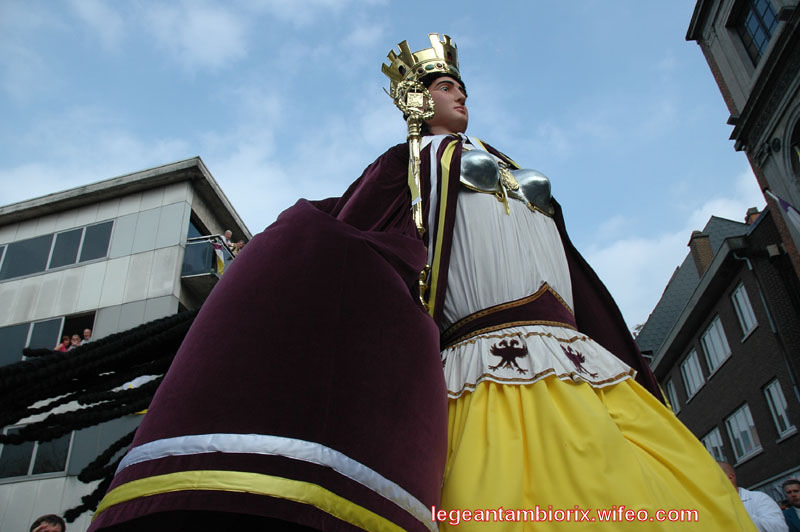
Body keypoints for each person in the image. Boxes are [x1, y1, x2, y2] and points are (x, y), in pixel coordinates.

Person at [87, 34, 756, 531]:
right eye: (441, 86)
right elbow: (358, 243)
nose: (458, 92)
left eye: (459, 85)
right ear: (414, 99)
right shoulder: (410, 165)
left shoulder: (513, 167)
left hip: (586, 370)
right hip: (482, 371)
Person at [718, 462, 788, 532]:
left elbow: (780, 529)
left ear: (730, 478)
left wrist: (738, 514)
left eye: (714, 479)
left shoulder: (758, 498)